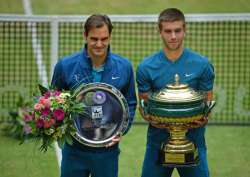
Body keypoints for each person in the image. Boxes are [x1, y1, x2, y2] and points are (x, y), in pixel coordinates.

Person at [51, 14, 137, 177]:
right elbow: (53, 100)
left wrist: (120, 130)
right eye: (94, 39)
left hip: (107, 151)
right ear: (85, 36)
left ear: (110, 37)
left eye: (104, 39)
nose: (99, 44)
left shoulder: (124, 66)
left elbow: (130, 102)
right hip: (74, 150)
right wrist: (60, 129)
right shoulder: (65, 65)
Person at [136, 8, 214, 177]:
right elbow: (144, 107)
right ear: (160, 31)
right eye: (168, 31)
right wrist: (151, 118)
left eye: (177, 30)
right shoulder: (146, 67)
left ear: (185, 29)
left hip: (193, 143)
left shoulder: (202, 65)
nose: (173, 36)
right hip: (157, 144)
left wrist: (203, 118)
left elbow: (208, 104)